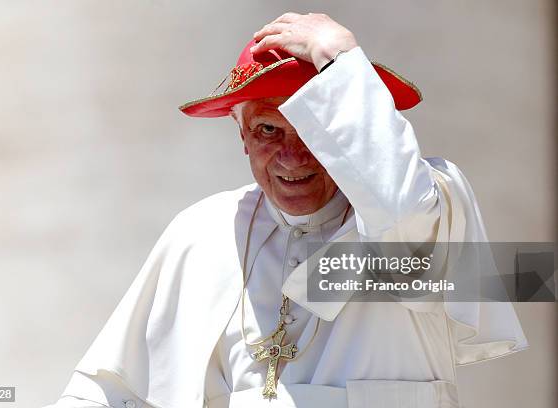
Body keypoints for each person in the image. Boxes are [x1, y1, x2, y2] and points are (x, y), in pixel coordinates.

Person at [46, 12, 528, 408]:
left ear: (345, 132)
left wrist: (338, 59)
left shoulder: (435, 202)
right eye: (268, 131)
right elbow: (110, 393)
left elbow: (400, 210)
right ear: (241, 137)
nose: (293, 157)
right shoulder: (203, 232)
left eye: (314, 134)